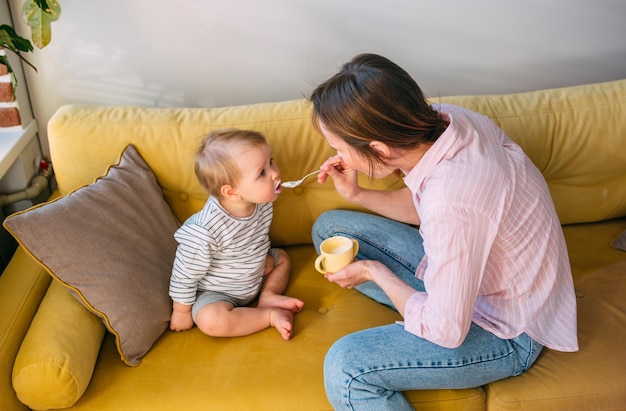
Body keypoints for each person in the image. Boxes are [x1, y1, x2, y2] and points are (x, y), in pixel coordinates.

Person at [309, 53, 579, 410]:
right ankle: (420, 299)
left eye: (340, 148)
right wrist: (356, 193)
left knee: (346, 367)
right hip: (477, 274)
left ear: (379, 149)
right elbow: (427, 206)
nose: (338, 156)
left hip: (510, 329)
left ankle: (414, 303)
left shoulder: (452, 203)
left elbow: (446, 331)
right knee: (331, 228)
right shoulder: (449, 120)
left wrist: (375, 272)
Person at [169, 128, 304, 341]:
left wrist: (264, 259)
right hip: (218, 293)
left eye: (271, 161)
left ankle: (268, 296)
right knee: (211, 321)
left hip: (257, 273)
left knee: (283, 259)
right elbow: (184, 274)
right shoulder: (205, 231)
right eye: (262, 172)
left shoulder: (261, 202)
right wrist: (181, 311)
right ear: (232, 193)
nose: (275, 172)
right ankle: (268, 315)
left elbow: (257, 239)